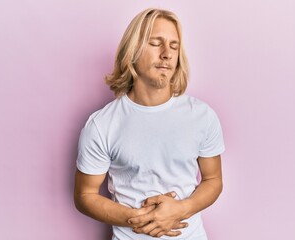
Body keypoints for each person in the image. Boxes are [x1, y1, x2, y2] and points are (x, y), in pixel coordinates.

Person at [74, 8, 225, 240]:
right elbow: (85, 195)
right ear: (133, 50)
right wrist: (140, 218)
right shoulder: (102, 124)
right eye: (156, 43)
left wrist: (181, 209)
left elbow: (213, 180)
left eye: (174, 46)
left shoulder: (202, 116)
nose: (167, 54)